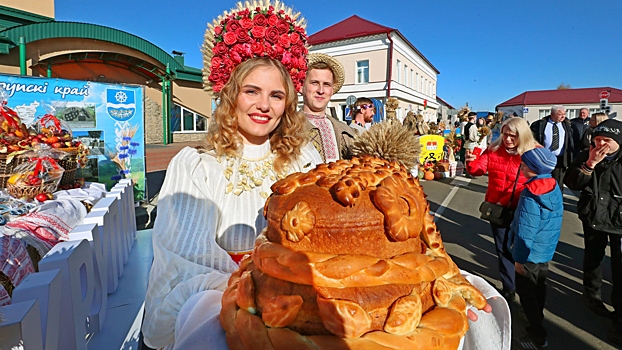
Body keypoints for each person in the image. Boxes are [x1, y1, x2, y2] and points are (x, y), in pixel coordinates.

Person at [141, 4, 323, 348]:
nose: (264, 105)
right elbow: (184, 260)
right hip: (216, 306)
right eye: (251, 91)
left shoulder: (304, 161)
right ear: (229, 95)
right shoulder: (196, 165)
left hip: (294, 308)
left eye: (276, 95)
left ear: (288, 103)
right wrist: (254, 290)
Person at [465, 117, 539, 301]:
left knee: (524, 251)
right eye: (505, 134)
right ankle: (509, 287)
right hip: (499, 211)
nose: (507, 139)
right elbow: (477, 170)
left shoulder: (534, 152)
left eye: (512, 136)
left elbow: (536, 182)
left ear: (522, 135)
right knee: (503, 249)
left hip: (524, 209)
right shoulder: (494, 150)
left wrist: (506, 199)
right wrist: (471, 162)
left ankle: (528, 290)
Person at [563, 119, 622, 347]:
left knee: (619, 267)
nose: (601, 145)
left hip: (618, 220)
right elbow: (572, 182)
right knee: (593, 257)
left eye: (606, 141)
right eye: (597, 140)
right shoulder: (587, 155)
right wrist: (589, 164)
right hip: (594, 217)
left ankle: (618, 316)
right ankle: (592, 294)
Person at [509, 147, 563, 349]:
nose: (521, 167)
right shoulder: (552, 186)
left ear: (534, 168)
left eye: (524, 165)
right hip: (544, 249)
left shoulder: (531, 195)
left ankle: (536, 335)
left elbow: (525, 230)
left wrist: (519, 259)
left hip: (529, 253)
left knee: (527, 291)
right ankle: (536, 314)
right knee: (540, 286)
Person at [302, 53, 357, 162]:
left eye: (326, 84)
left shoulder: (346, 131)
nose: (321, 90)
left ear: (332, 90)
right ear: (301, 87)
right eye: (314, 83)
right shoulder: (288, 128)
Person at [530, 105, 574, 189]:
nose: (563, 116)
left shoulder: (567, 125)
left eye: (564, 114)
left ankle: (557, 199)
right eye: (560, 114)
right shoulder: (540, 124)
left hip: (560, 159)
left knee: (557, 183)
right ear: (552, 114)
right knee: (543, 180)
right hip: (544, 158)